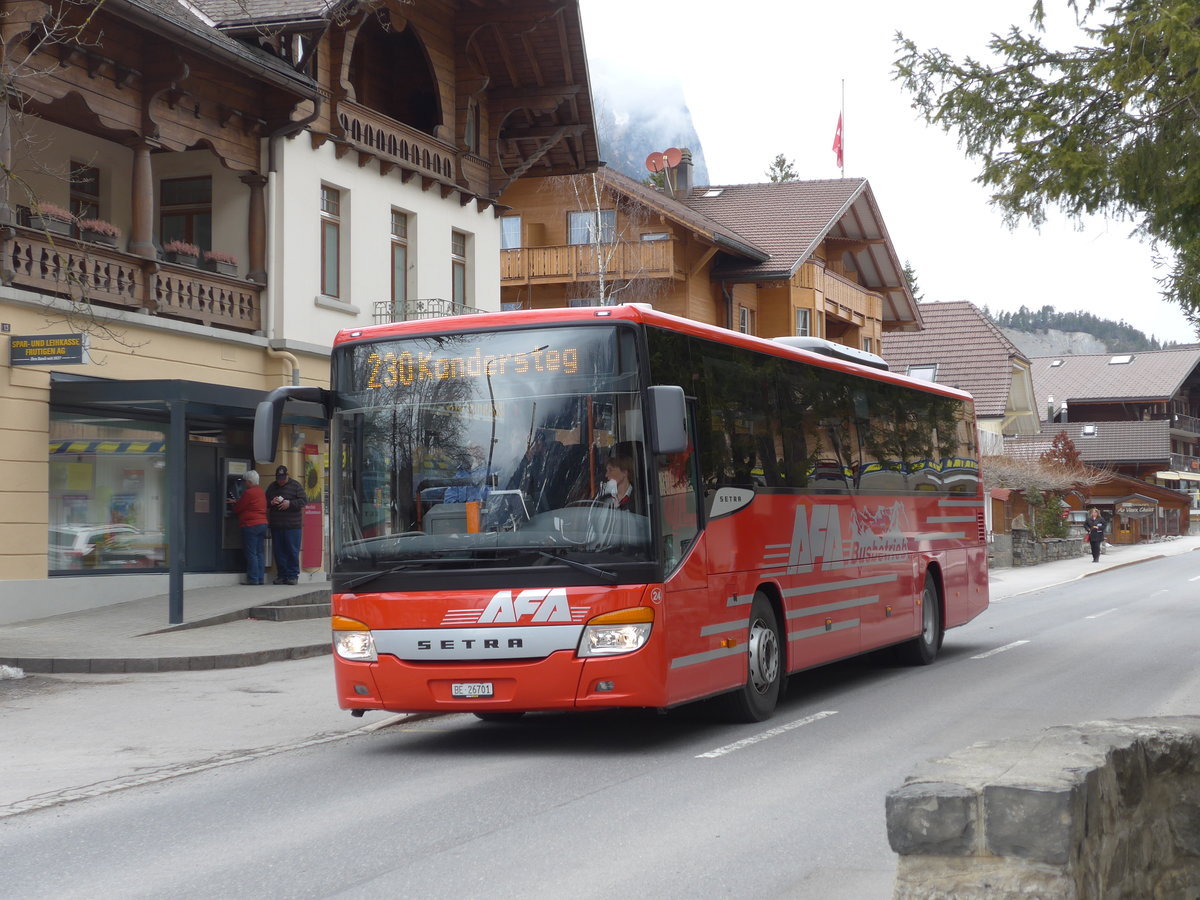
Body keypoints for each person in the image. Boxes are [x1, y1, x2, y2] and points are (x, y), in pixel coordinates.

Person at [265, 464, 306, 584]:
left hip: (292, 526)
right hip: (277, 525)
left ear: (287, 476)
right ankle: (282, 575)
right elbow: (265, 502)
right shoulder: (272, 486)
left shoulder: (296, 486)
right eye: (278, 479)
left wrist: (290, 504)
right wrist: (271, 502)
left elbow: (304, 501)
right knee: (279, 552)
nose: (281, 481)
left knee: (292, 551)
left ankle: (293, 576)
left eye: (283, 479)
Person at [227, 470, 267, 585]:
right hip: (262, 524)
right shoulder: (260, 492)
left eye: (245, 482)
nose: (244, 484)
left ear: (249, 482)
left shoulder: (248, 493)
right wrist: (236, 501)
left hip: (251, 525)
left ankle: (253, 579)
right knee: (259, 552)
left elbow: (239, 508)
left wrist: (234, 504)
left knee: (251, 553)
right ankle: (260, 579)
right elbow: (251, 504)